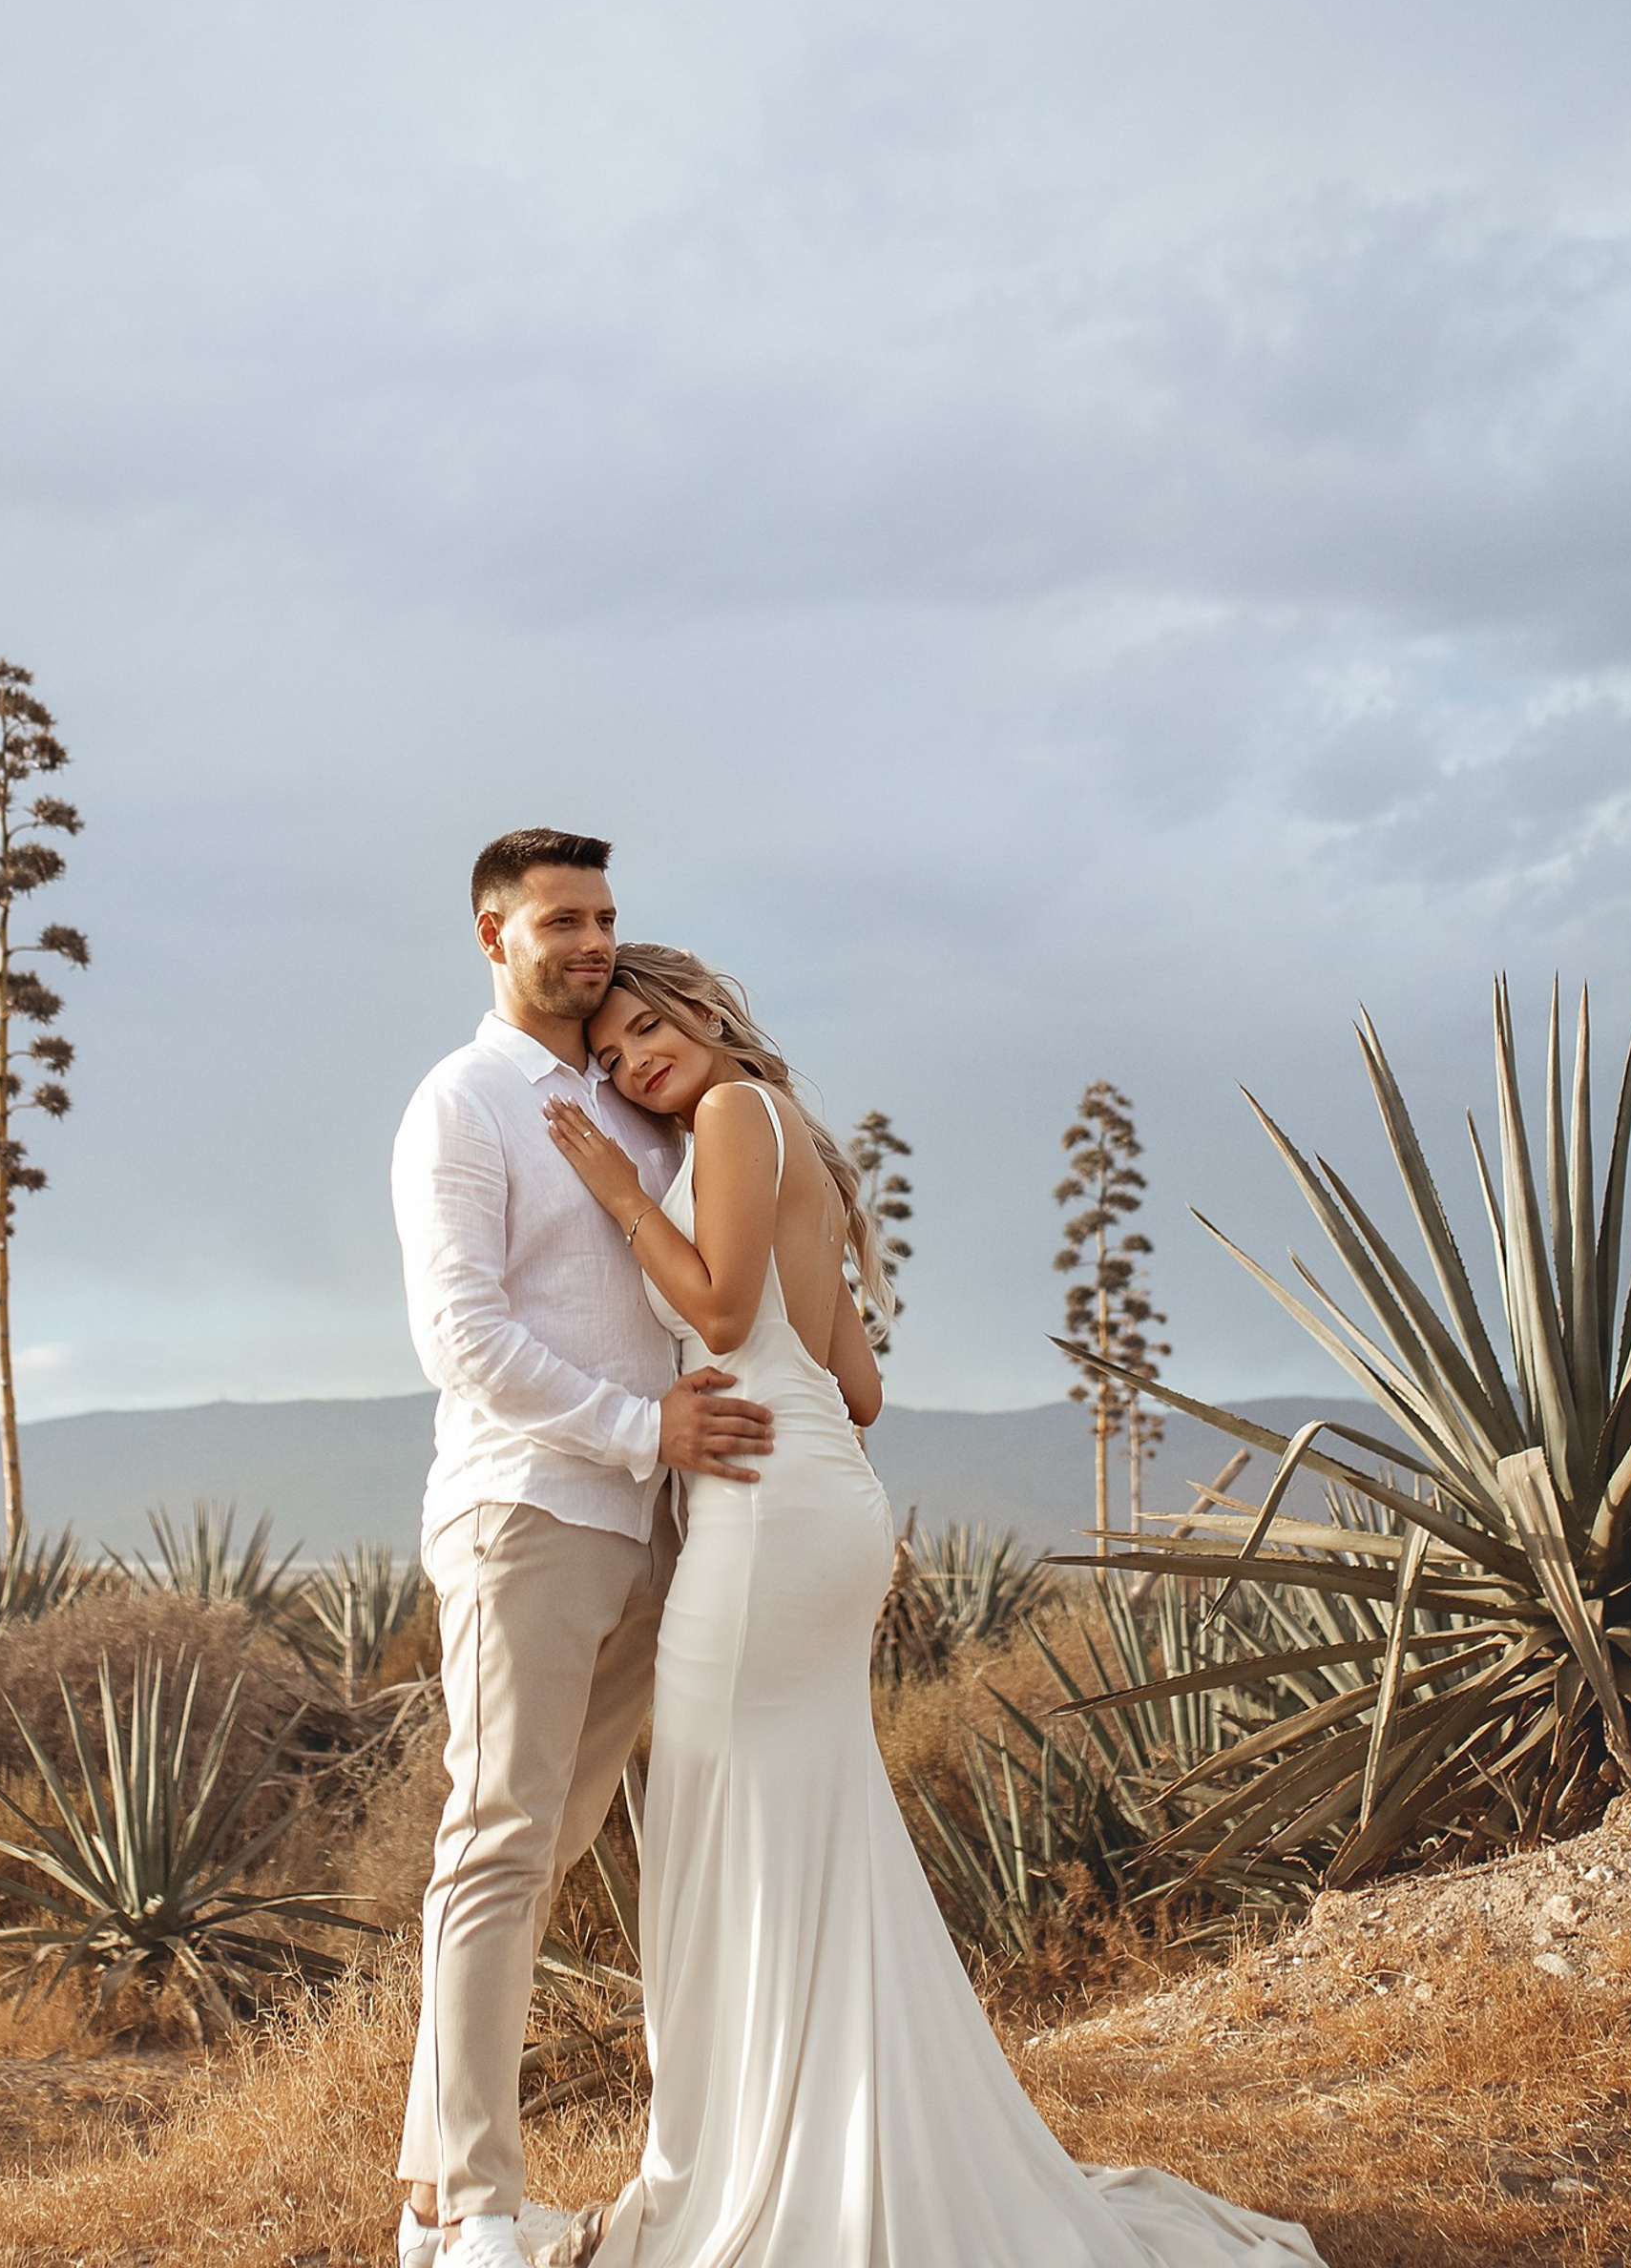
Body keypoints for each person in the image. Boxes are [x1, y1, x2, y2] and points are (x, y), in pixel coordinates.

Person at [537, 942, 1327, 2268]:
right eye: (609, 1059)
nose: (631, 1063)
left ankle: (765, 2172)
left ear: (704, 1006)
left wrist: (622, 1194)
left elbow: (724, 1314)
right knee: (806, 1830)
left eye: (641, 1029)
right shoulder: (800, 1141)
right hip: (826, 1499)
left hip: (761, 1511)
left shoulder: (728, 1115)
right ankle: (829, 2141)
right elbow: (859, 1388)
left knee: (726, 1833)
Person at [391, 834, 777, 2268]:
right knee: (495, 1839)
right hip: (529, 1512)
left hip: (657, 1527)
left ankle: (435, 2205)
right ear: (493, 934)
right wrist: (641, 1429)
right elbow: (463, 1337)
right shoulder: (466, 1101)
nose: (593, 938)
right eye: (562, 918)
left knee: (544, 1849)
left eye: (606, 914)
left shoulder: (647, 1100)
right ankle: (482, 2205)